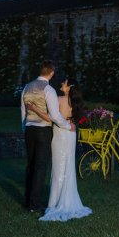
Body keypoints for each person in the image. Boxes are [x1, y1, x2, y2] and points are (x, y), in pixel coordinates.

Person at [27, 78, 92, 222]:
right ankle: (66, 198)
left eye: (64, 83)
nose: (61, 84)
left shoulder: (59, 98)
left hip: (61, 135)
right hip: (71, 134)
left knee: (58, 168)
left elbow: (52, 118)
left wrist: (34, 108)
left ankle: (56, 202)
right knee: (67, 167)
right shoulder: (75, 102)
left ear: (69, 87)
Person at [20, 60, 74, 213]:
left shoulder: (26, 87)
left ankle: (27, 201)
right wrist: (67, 125)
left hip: (29, 129)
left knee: (30, 165)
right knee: (40, 167)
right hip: (43, 131)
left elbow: (23, 111)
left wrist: (24, 127)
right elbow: (55, 115)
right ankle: (35, 204)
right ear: (51, 73)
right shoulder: (48, 90)